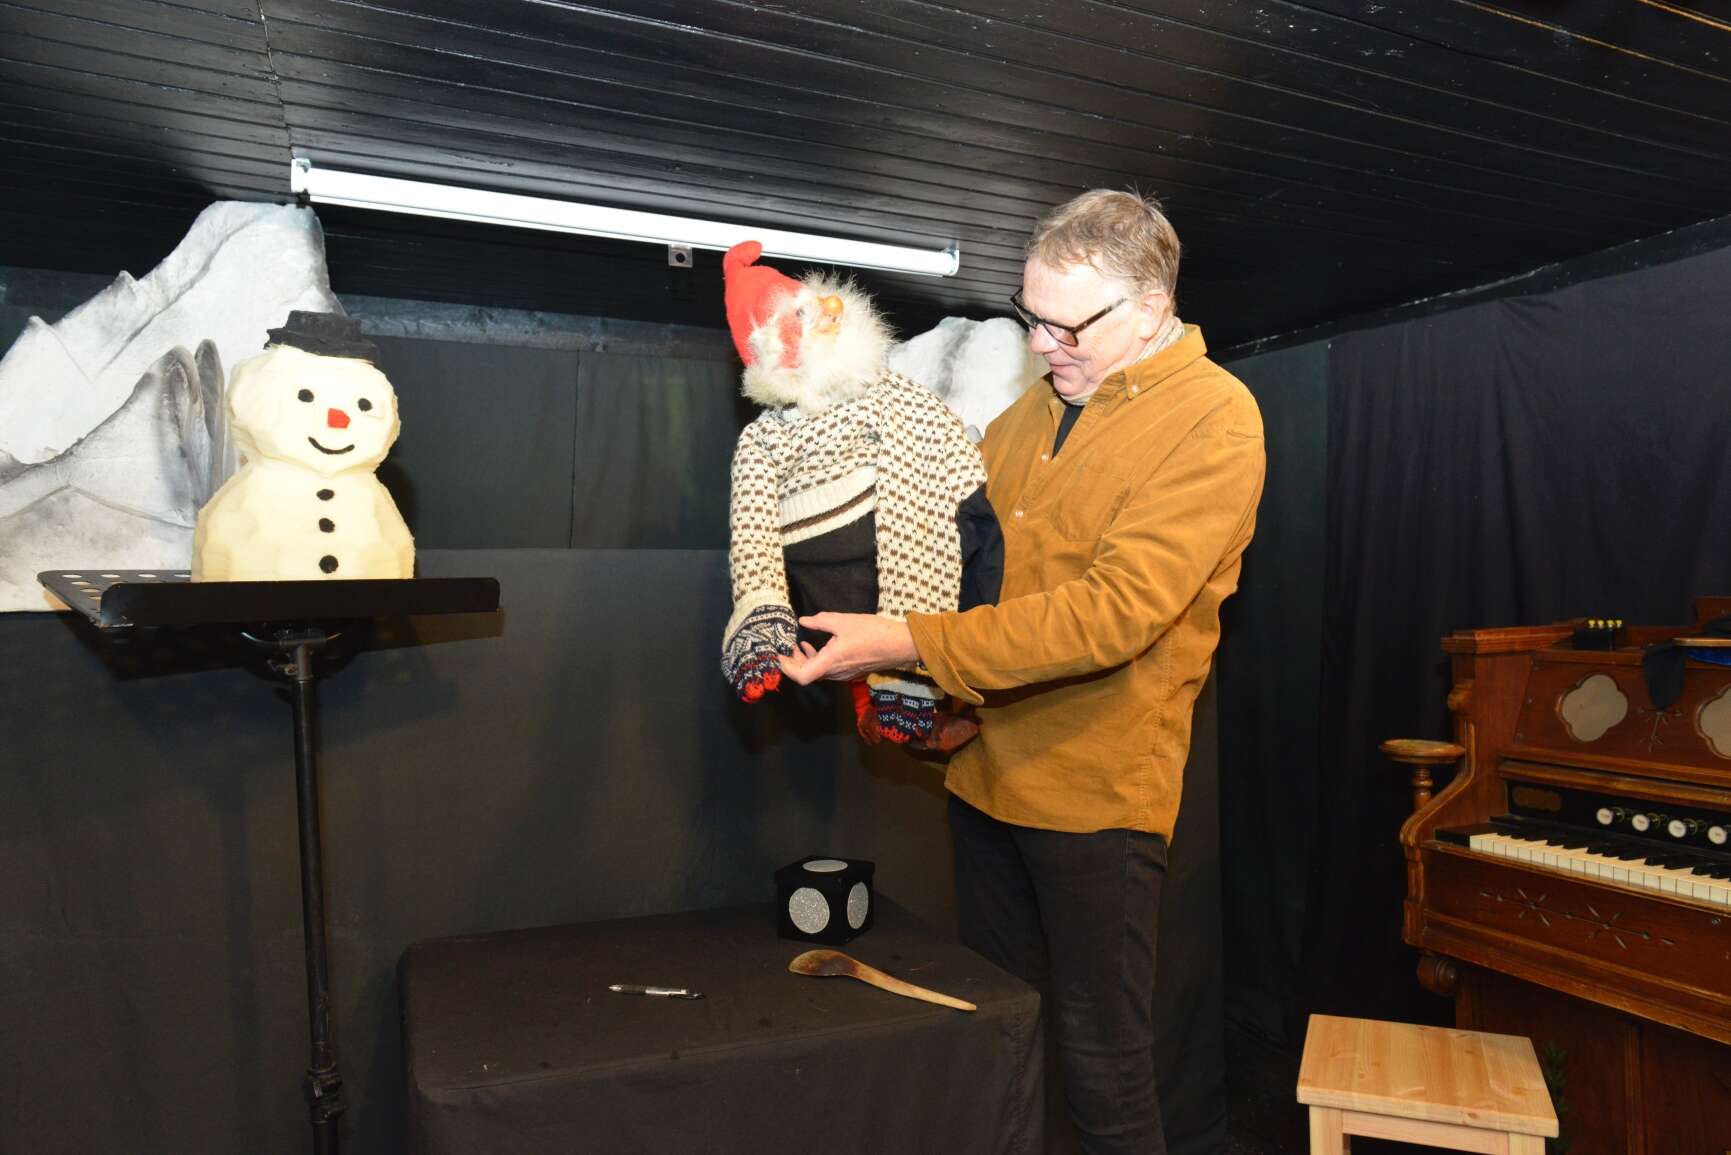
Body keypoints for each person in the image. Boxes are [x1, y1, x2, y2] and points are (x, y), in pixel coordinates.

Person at [778, 189, 1265, 1155]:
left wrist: (906, 642)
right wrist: (900, 674)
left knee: (1103, 1071)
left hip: (1095, 799)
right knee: (1004, 1040)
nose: (1041, 344)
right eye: (1030, 316)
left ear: (1151, 308)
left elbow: (1112, 614)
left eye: (1067, 326)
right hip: (984, 778)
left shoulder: (1215, 419)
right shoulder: (1025, 415)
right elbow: (970, 579)